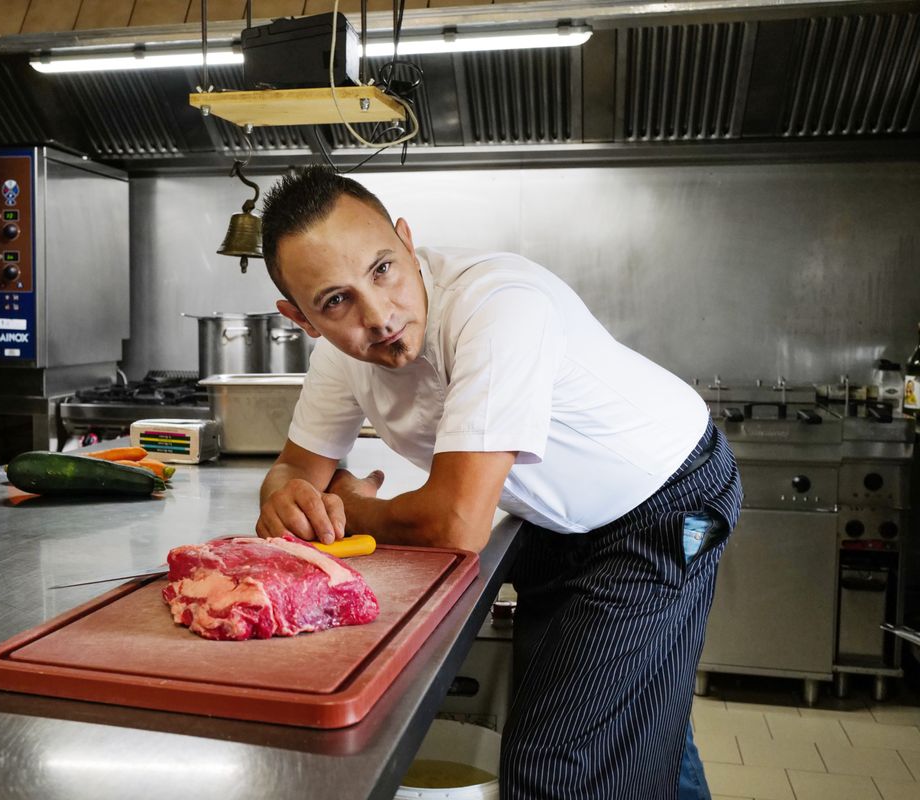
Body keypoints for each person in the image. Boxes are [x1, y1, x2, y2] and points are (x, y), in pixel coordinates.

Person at [253, 166, 741, 800]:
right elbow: (296, 468)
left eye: (382, 269)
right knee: (631, 720)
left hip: (662, 502)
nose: (379, 315)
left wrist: (345, 507)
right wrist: (284, 498)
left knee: (560, 768)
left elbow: (456, 523)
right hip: (558, 521)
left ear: (406, 241)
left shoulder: (496, 304)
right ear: (302, 319)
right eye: (336, 301)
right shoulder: (338, 358)